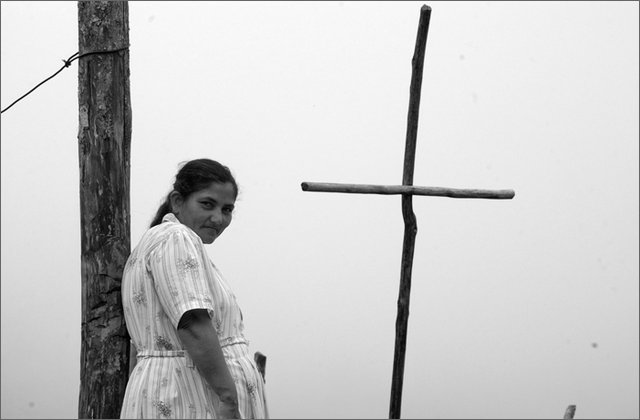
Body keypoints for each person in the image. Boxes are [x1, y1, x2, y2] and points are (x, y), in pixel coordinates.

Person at [120, 158, 268, 419]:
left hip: (174, 390)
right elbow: (192, 323)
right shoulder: (176, 238)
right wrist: (228, 399)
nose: (218, 217)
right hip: (190, 397)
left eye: (227, 209)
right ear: (178, 201)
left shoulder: (163, 242)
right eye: (207, 204)